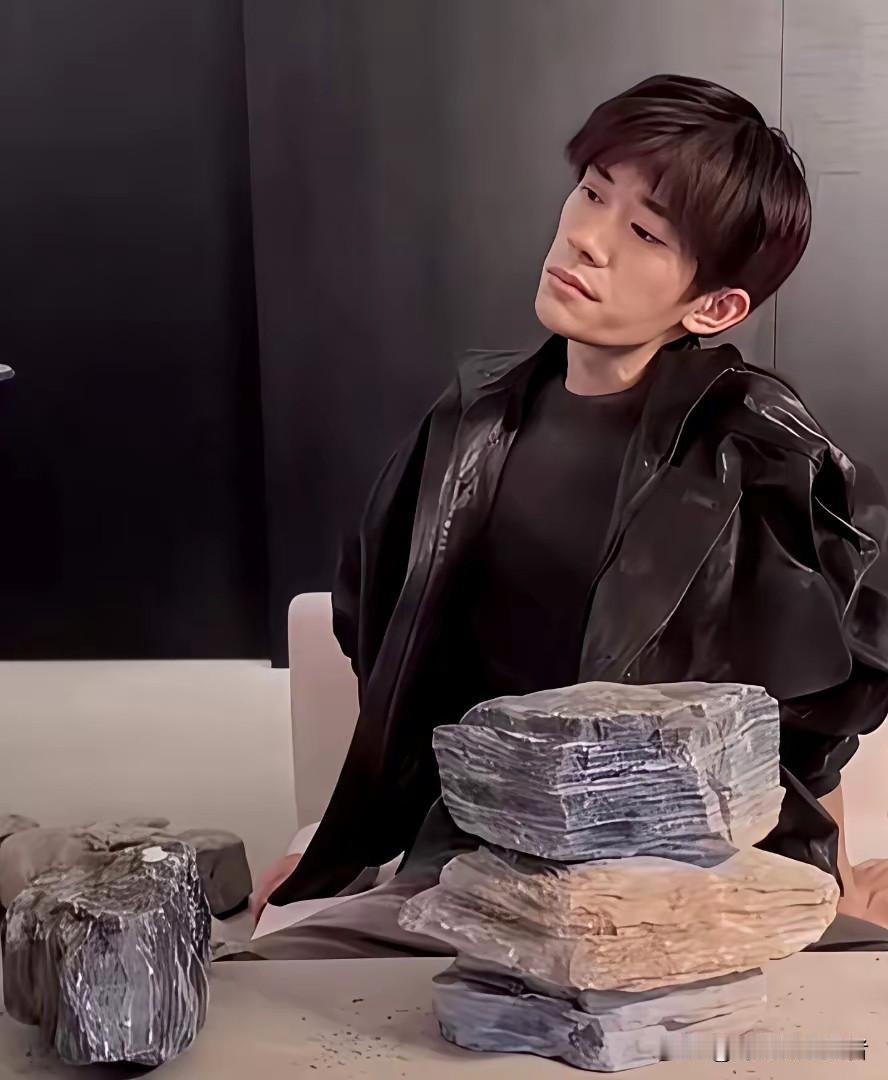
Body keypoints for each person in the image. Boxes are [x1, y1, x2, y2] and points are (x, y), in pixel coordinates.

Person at [218, 73, 888, 961]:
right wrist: (344, 854)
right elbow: (393, 663)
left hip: (691, 880)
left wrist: (832, 880)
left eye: (645, 232)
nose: (586, 238)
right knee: (261, 973)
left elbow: (816, 716)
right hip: (481, 861)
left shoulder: (763, 453)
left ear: (715, 305)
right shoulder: (467, 424)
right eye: (593, 192)